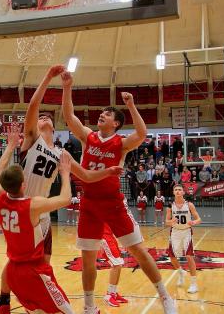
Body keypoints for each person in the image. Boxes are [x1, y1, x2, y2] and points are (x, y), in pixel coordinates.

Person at [61, 70, 177, 314]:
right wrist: (67, 87)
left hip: (113, 203)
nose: (101, 115)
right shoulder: (88, 137)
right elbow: (69, 116)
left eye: (107, 114)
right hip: (89, 203)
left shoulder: (121, 144)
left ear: (115, 123)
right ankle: (89, 306)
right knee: (88, 258)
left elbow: (142, 134)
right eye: (101, 113)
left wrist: (131, 105)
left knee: (138, 250)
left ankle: (166, 297)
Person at [0, 65, 65, 314]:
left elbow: (85, 174)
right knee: (16, 260)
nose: (42, 117)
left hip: (42, 212)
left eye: (48, 118)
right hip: (22, 205)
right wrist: (48, 77)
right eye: (41, 117)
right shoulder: (32, 139)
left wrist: (106, 173)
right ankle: (4, 299)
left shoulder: (60, 154)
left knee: (43, 264)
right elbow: (33, 107)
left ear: (54, 130)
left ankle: (31, 303)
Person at [0, 124, 74, 313]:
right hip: (33, 271)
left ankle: (4, 301)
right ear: (24, 183)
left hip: (13, 271)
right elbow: (65, 199)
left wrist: (10, 146)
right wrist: (65, 174)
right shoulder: (32, 206)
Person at [165, 184, 201, 294]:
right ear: (173, 192)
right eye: (175, 190)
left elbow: (199, 218)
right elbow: (166, 222)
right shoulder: (170, 206)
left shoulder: (189, 205)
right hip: (175, 232)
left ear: (183, 192)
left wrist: (194, 222)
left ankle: (194, 284)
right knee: (172, 257)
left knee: (189, 256)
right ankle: (180, 271)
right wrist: (171, 222)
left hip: (186, 232)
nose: (178, 191)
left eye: (180, 190)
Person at [100, 224, 128, 308]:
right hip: (103, 236)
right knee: (116, 264)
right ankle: (109, 295)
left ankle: (114, 292)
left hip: (110, 235)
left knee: (119, 263)